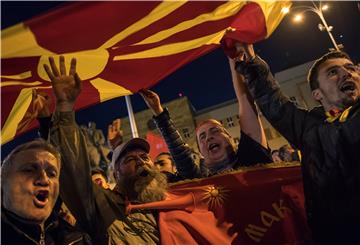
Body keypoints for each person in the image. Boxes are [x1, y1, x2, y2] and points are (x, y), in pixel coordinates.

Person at [236, 44, 360, 243]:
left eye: (351, 68)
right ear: (317, 94)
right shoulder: (309, 128)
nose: (347, 74)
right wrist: (251, 62)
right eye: (333, 72)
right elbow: (273, 101)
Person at [44, 55, 166, 244]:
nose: (141, 160)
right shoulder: (101, 205)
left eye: (144, 156)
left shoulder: (174, 201)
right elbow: (73, 169)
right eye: (129, 159)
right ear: (115, 174)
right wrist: (65, 108)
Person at [139, 48, 272, 180]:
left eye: (215, 131)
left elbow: (245, 99)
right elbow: (180, 152)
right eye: (202, 137)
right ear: (201, 153)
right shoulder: (198, 182)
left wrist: (234, 57)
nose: (208, 138)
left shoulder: (253, 158)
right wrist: (158, 111)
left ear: (231, 139)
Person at [1, 139, 91, 244]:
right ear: (2, 182)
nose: (44, 180)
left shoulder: (78, 240)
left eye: (52, 174)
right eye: (29, 170)